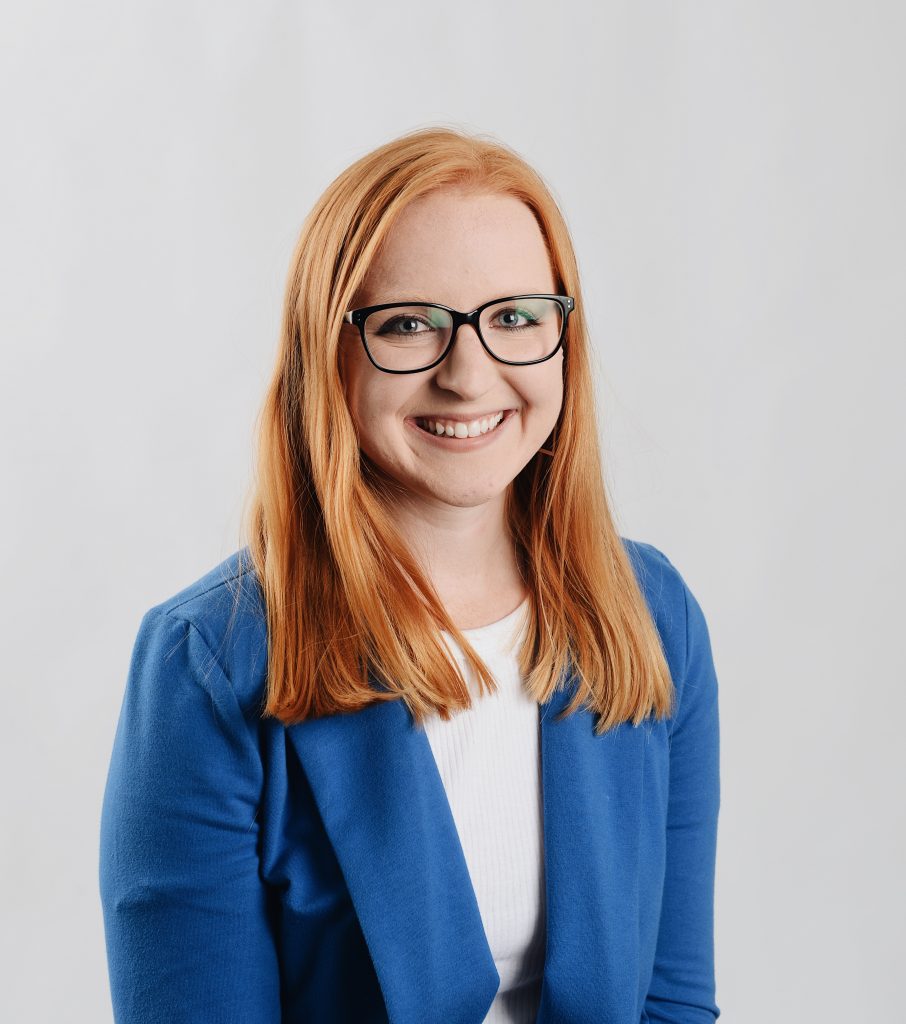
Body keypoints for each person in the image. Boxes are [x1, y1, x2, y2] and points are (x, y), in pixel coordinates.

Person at [99, 126, 721, 1023]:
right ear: (329, 354)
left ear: (564, 338)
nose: (470, 376)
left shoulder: (652, 615)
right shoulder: (209, 663)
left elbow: (671, 1001)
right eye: (408, 324)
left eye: (516, 318)